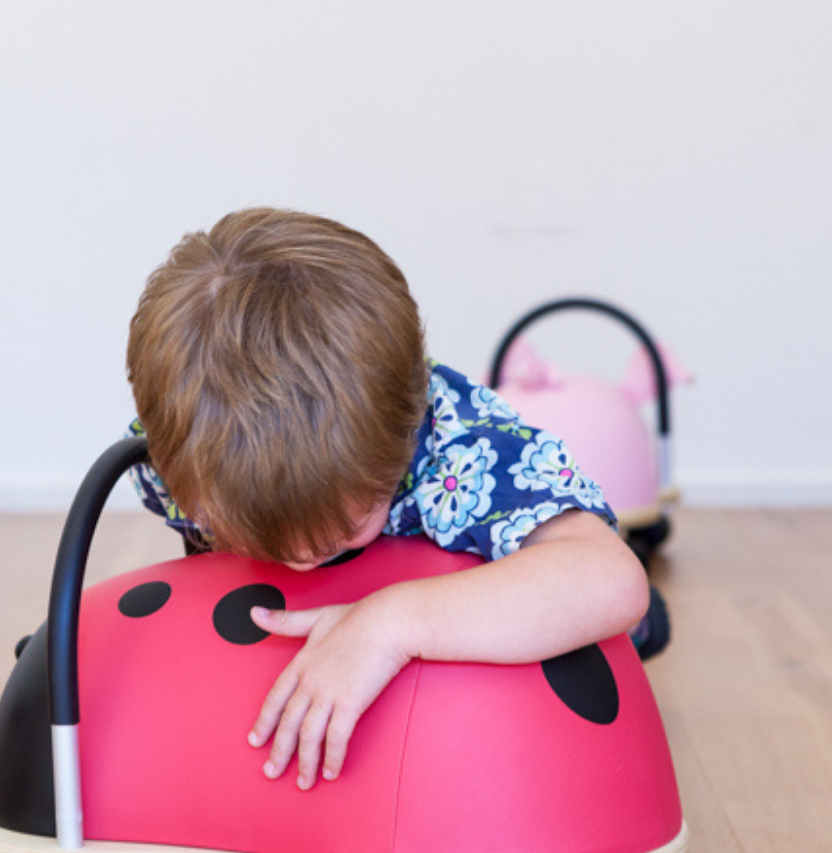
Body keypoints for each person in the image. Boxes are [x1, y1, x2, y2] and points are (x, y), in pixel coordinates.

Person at [126, 207, 650, 792]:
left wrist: (390, 625)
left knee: (604, 627)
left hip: (472, 657)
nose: (301, 562)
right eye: (255, 537)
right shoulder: (178, 460)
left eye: (338, 535)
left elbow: (611, 579)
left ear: (405, 441)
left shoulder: (461, 449)